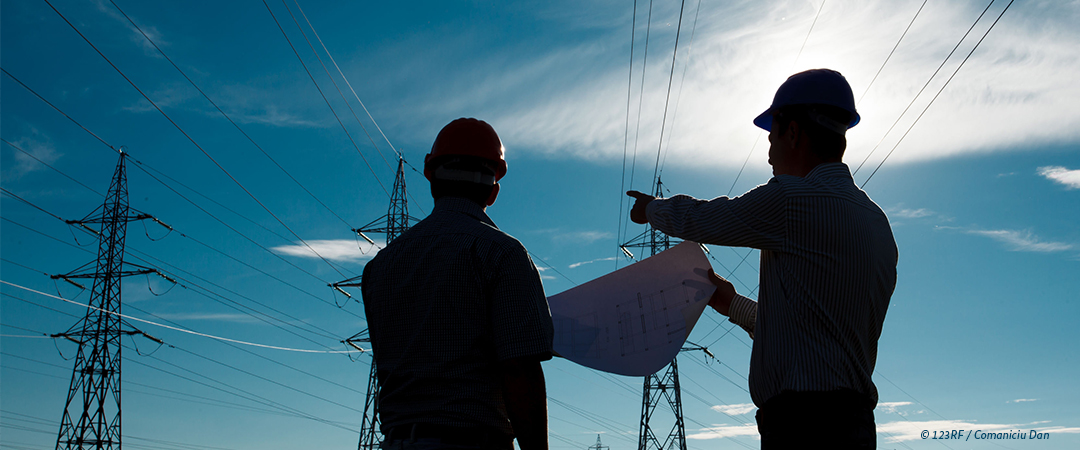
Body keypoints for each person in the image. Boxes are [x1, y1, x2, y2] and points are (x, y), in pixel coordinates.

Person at [627, 69, 898, 449]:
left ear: (793, 133)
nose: (768, 153)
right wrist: (729, 302)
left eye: (771, 137)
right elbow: (814, 332)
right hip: (854, 425)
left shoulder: (791, 200)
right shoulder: (877, 223)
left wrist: (651, 209)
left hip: (801, 426)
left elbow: (705, 219)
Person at [362, 118, 553, 450]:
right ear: (493, 191)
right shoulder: (502, 253)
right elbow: (519, 371)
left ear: (432, 179)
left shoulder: (379, 267)